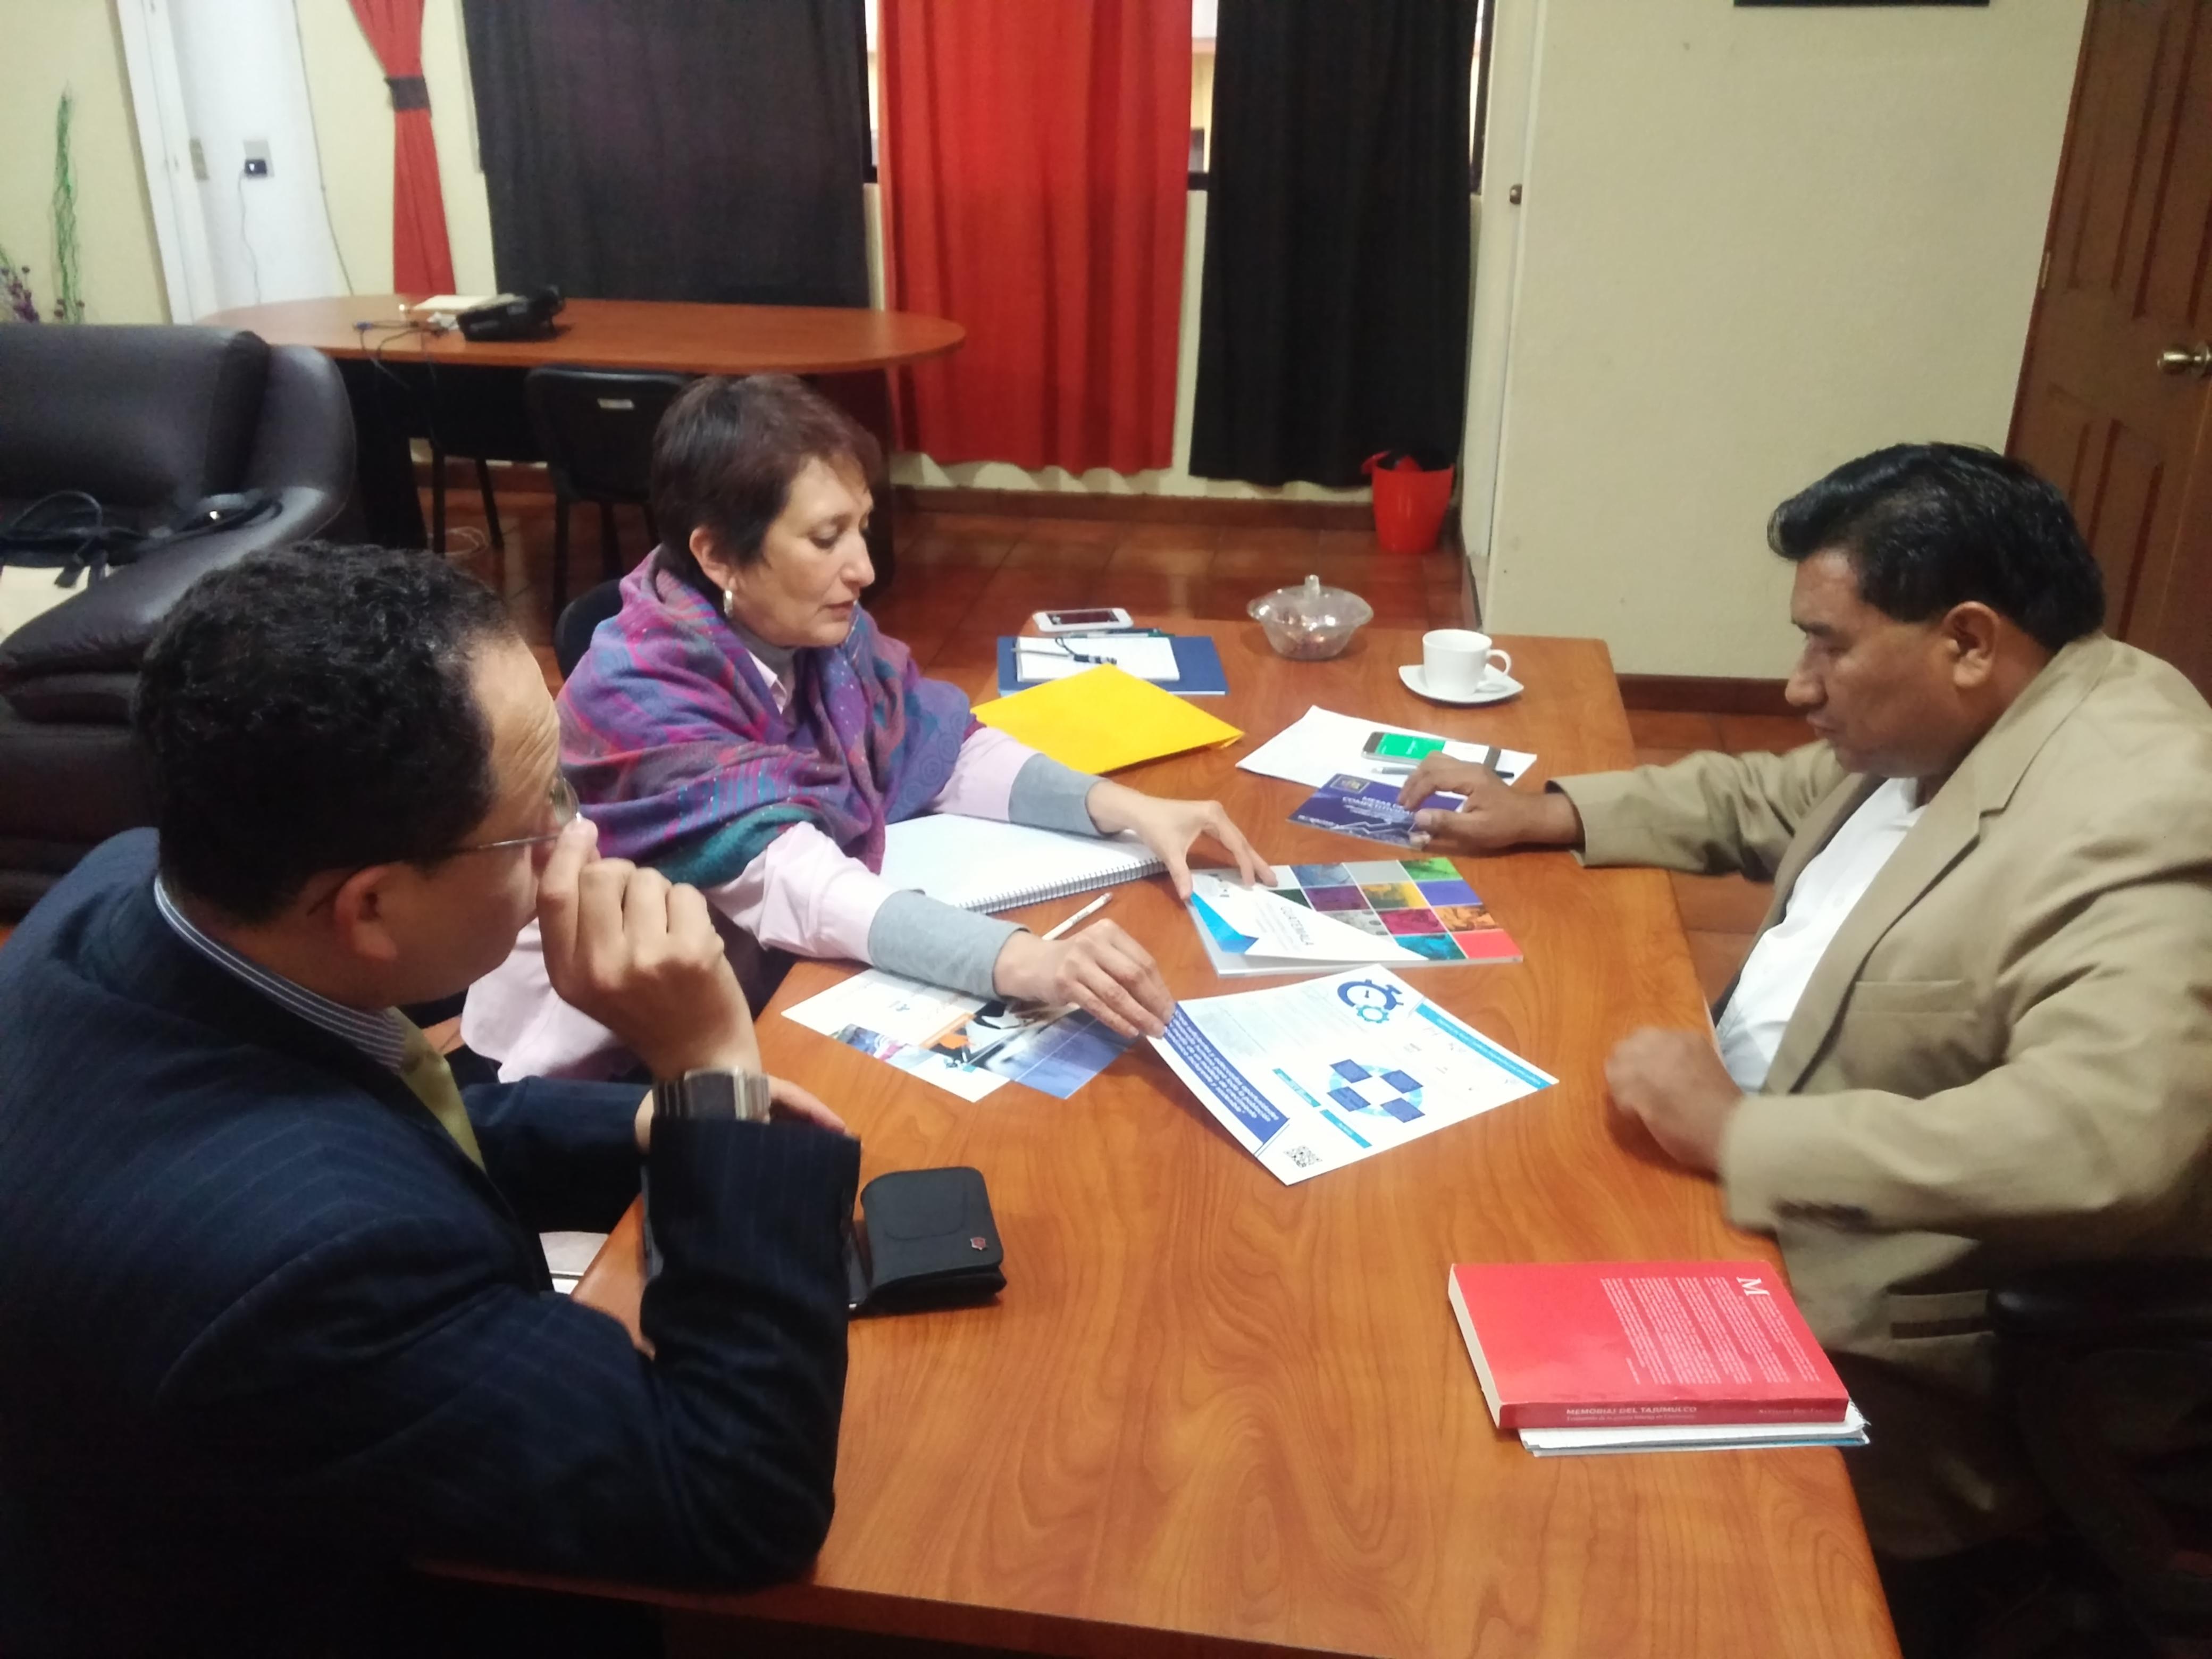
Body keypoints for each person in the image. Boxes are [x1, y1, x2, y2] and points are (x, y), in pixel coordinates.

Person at [0, 543, 861, 1656]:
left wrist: (642, 1124)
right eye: (536, 820)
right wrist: (707, 1064)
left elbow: (359, 1110)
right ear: (368, 908)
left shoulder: (134, 883)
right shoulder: (308, 1279)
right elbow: (738, 1499)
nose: (580, 839)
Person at [1395, 445, 2212, 1613]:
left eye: (1829, 645)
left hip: (1888, 1333)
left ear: (1968, 641)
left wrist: (1743, 1137)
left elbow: (2109, 1139)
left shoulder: (2142, 810)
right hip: (1736, 1174)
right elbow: (1783, 795)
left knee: (1457, 1483)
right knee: (1439, 1228)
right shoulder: (1979, 715)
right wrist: (1557, 811)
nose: (1797, 685)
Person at [464, 374, 1271, 1082]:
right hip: (597, 1060)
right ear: (718, 556)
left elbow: (943, 750)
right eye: (826, 538)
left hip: (745, 983)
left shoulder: (816, 630)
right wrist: (1033, 961)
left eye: (861, 525)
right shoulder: (641, 698)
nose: (865, 568)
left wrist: (1130, 809)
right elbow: (805, 889)